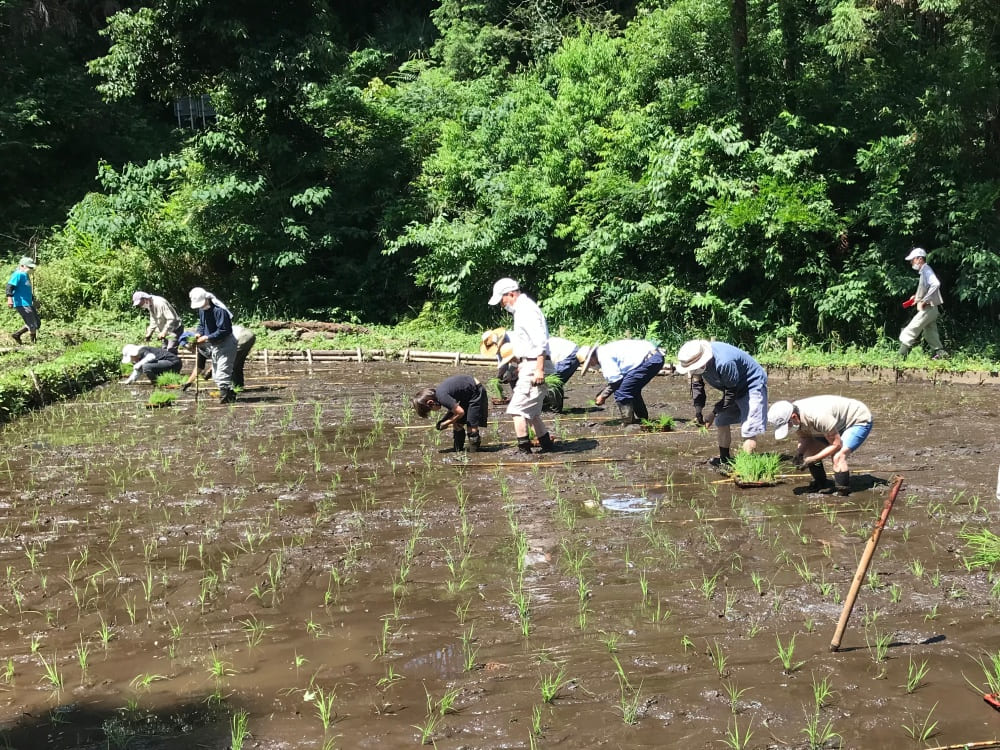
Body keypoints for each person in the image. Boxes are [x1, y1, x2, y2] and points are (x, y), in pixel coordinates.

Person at [488, 277, 557, 454]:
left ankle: (524, 450)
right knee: (532, 413)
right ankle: (547, 446)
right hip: (530, 363)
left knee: (516, 409)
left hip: (535, 364)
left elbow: (540, 341)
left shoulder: (526, 310)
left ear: (511, 294)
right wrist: (521, 366)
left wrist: (539, 369)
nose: (502, 305)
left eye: (502, 300)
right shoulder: (522, 310)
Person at [675, 339, 768, 468]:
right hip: (732, 387)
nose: (693, 371)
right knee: (722, 421)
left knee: (749, 428)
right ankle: (725, 460)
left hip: (751, 385)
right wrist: (698, 411)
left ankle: (746, 468)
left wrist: (713, 413)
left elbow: (730, 395)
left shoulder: (724, 362)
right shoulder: (696, 365)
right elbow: (697, 387)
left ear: (703, 361)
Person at [767, 396, 873, 496]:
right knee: (809, 452)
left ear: (794, 417)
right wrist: (799, 454)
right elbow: (805, 437)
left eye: (788, 426)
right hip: (833, 424)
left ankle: (842, 493)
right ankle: (822, 484)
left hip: (857, 420)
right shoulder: (793, 414)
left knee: (838, 456)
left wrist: (813, 459)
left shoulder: (818, 416)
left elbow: (837, 445)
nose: (789, 428)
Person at [483, 328, 580, 412]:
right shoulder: (503, 348)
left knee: (552, 381)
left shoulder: (518, 341)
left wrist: (514, 372)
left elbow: (528, 363)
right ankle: (538, 403)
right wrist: (501, 377)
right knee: (539, 380)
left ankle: (555, 410)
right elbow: (507, 364)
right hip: (545, 356)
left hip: (565, 355)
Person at [580, 340, 664, 423]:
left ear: (592, 357)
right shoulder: (605, 350)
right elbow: (617, 380)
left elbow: (616, 381)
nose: (591, 366)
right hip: (654, 357)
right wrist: (603, 394)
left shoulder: (603, 357)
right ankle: (643, 420)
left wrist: (603, 396)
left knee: (622, 391)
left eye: (589, 364)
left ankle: (629, 423)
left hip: (649, 360)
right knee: (631, 389)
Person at [412, 375, 488, 452]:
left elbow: (460, 412)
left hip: (476, 391)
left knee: (471, 427)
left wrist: (446, 423)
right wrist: (446, 421)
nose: (433, 411)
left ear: (431, 403)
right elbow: (454, 411)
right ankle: (458, 450)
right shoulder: (440, 394)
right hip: (467, 394)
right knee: (457, 424)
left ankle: (475, 452)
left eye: (431, 410)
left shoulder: (442, 397)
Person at [189, 287, 237, 403]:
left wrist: (207, 337)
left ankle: (225, 398)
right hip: (215, 344)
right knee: (216, 375)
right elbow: (202, 324)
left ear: (207, 299)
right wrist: (198, 333)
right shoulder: (202, 310)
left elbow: (224, 330)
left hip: (226, 343)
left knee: (222, 373)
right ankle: (230, 394)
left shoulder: (219, 310)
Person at [899, 247, 947, 360]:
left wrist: (924, 300)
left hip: (928, 308)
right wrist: (916, 297)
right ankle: (941, 355)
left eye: (913, 260)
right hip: (931, 309)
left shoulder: (926, 270)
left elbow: (936, 284)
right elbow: (927, 288)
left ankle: (899, 357)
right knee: (930, 333)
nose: (911, 262)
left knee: (911, 329)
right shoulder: (924, 271)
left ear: (920, 259)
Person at [179, 324, 256, 390]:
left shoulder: (207, 340)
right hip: (244, 337)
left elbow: (224, 355)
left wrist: (211, 369)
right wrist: (189, 382)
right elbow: (199, 367)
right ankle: (238, 387)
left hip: (241, 336)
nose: (191, 350)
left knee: (229, 365)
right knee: (237, 364)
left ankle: (229, 390)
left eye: (190, 348)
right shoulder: (200, 349)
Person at [6, 256, 40, 345]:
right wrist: (9, 299)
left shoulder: (26, 275)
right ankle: (34, 343)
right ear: (22, 266)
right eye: (29, 267)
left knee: (37, 322)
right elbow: (9, 287)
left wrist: (33, 300)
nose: (31, 269)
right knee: (32, 323)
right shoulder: (18, 274)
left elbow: (26, 290)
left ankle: (17, 335)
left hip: (28, 302)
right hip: (21, 303)